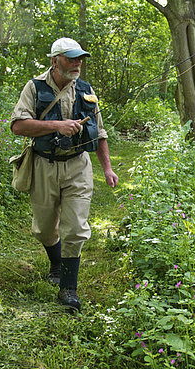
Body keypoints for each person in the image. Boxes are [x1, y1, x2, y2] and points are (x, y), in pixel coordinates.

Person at [10, 37, 118, 310]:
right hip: (43, 165)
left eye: (80, 58)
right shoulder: (33, 88)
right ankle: (56, 263)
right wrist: (57, 126)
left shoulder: (86, 89)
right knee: (45, 229)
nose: (77, 63)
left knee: (76, 228)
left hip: (78, 167)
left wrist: (107, 168)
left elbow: (100, 132)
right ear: (55, 60)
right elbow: (18, 126)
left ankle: (68, 289)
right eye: (71, 58)